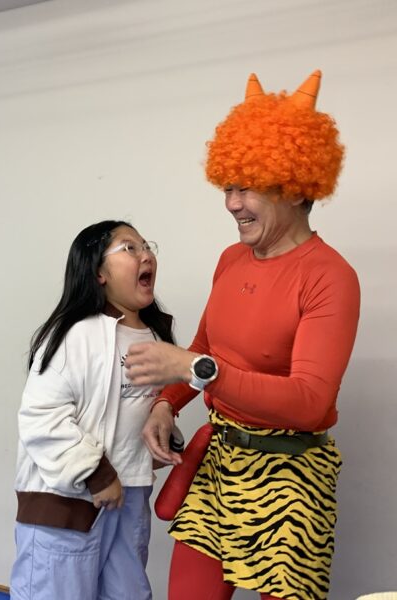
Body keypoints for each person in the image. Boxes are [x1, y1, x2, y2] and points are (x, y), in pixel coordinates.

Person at [124, 70, 360, 600]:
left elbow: (309, 402)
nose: (231, 203)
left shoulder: (330, 276)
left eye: (246, 187)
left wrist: (194, 371)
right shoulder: (231, 259)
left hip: (291, 480)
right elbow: (205, 350)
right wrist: (166, 404)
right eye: (228, 187)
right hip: (218, 467)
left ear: (295, 186)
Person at [10, 220, 174, 600]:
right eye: (129, 248)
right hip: (69, 503)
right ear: (99, 272)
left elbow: (143, 406)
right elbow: (42, 417)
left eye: (146, 246)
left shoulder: (157, 338)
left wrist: (164, 429)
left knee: (127, 593)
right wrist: (97, 475)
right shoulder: (73, 335)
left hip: (130, 497)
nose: (146, 254)